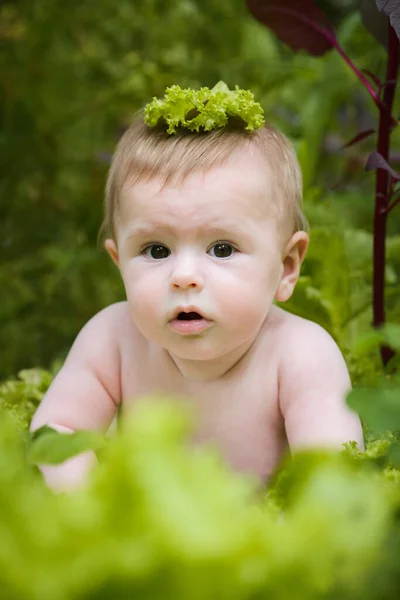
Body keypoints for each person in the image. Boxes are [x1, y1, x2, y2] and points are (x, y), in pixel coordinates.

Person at [30, 84, 364, 492]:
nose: (183, 276)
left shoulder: (300, 355)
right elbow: (56, 429)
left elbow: (331, 479)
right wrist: (89, 507)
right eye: (156, 250)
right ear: (120, 265)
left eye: (222, 249)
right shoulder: (114, 338)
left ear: (286, 266)